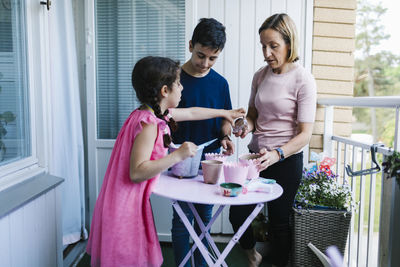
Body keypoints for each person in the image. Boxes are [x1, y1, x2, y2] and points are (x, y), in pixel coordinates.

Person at [86, 56, 245, 267]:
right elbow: (137, 171)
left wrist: (225, 112)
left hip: (123, 200)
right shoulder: (149, 123)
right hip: (124, 206)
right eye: (178, 84)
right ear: (164, 91)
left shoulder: (151, 114)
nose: (182, 88)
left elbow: (192, 112)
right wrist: (177, 155)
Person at [230, 13, 317, 267]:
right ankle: (252, 255)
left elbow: (305, 134)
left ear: (289, 44)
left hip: (285, 160)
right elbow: (254, 116)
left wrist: (277, 153)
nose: (267, 53)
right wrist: (244, 125)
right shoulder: (260, 75)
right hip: (256, 158)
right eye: (263, 46)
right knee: (238, 213)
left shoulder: (303, 80)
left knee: (280, 221)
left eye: (273, 46)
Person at [170, 18, 234, 267]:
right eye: (200, 55)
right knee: (181, 220)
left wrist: (226, 136)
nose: (205, 63)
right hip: (179, 161)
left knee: (204, 219)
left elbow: (225, 118)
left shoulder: (220, 84)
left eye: (212, 58)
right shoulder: (174, 80)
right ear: (190, 45)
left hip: (211, 161)